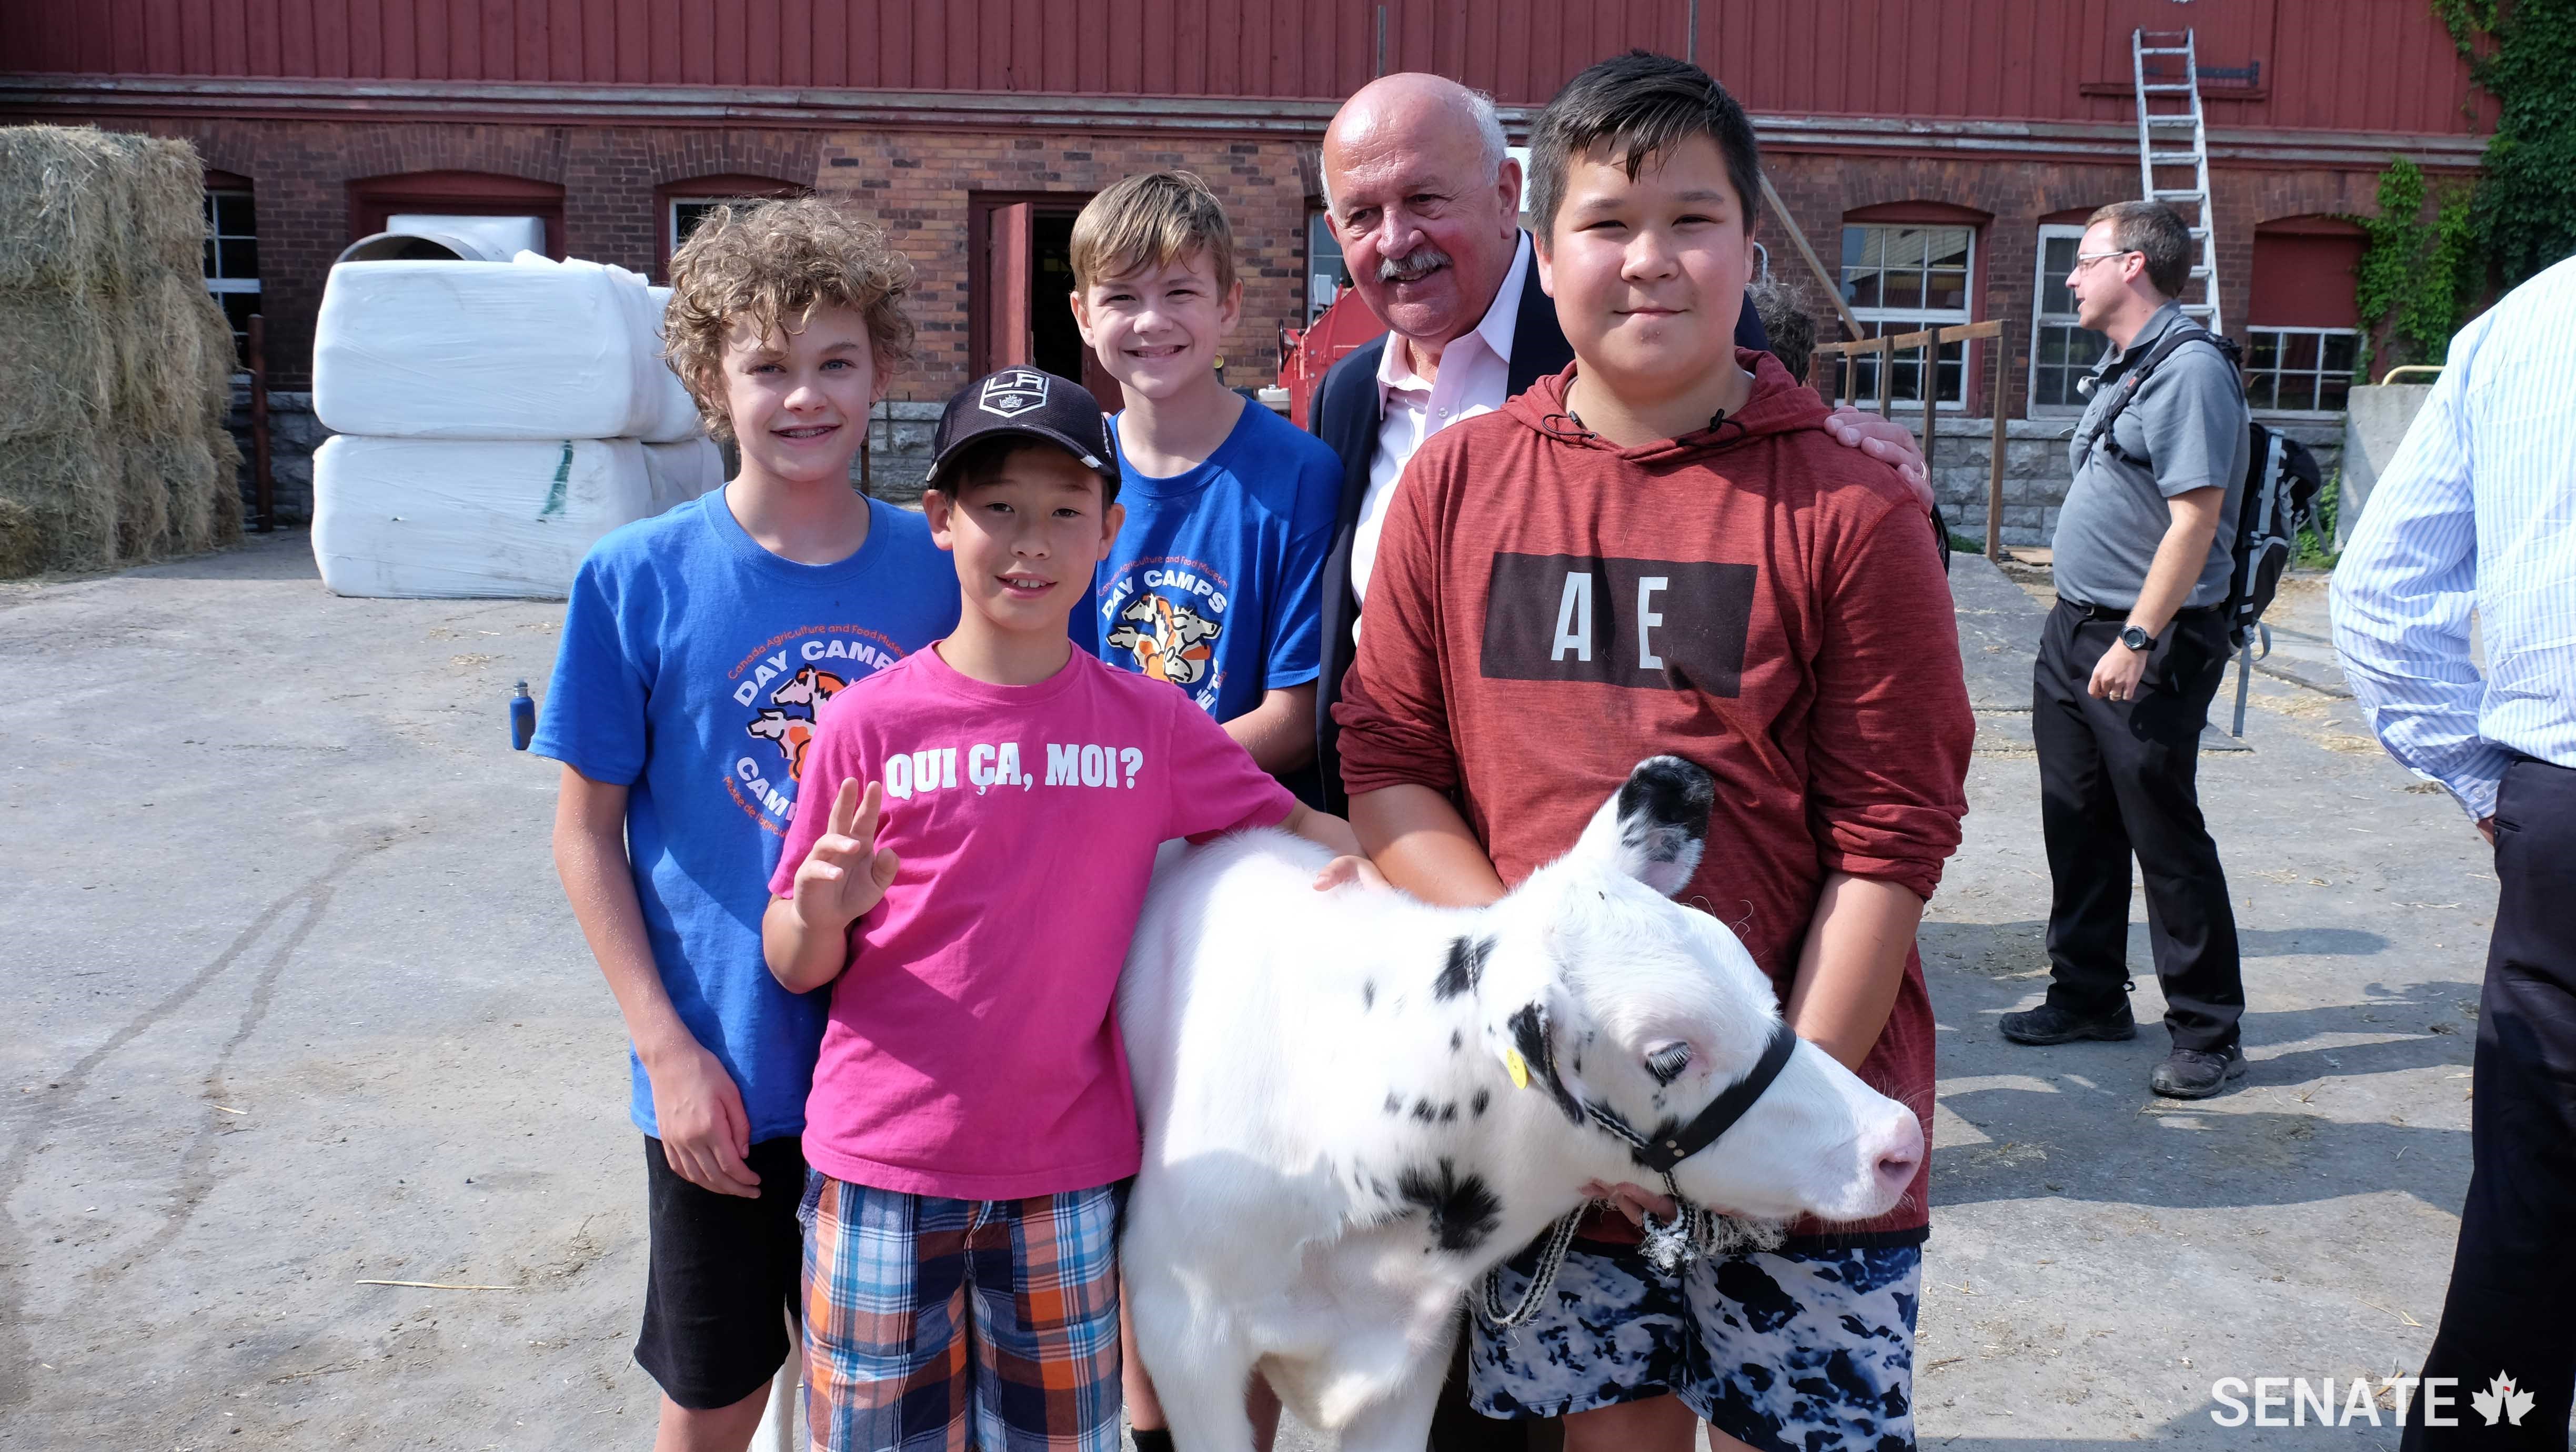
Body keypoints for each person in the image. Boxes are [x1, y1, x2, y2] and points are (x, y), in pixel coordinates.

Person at [1333, 52, 1973, 1452]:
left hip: (1799, 1114)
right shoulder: (1459, 485)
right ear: (1542, 252)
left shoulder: (1850, 509)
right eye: (1608, 224)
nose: (1651, 261)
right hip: (1562, 1133)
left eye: (1692, 220)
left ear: (1751, 244)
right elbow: (1387, 761)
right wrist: (1532, 1000)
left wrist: (1770, 1104)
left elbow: (1893, 836)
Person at [759, 368, 1364, 1452]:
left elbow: (1298, 830)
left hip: (1067, 1182)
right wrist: (820, 912)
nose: (1029, 542)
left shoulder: (1152, 725)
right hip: (881, 1171)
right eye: (997, 508)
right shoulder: (866, 726)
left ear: (1109, 531)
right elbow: (796, 964)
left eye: (1064, 512)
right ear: (941, 521)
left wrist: (1399, 889)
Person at [532, 198, 959, 1452]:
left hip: (906, 1074)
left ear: (881, 366)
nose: (805, 397)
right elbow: (584, 833)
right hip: (723, 1079)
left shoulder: (942, 568)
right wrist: (664, 1049)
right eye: (768, 366)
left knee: (890, 1402)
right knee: (716, 1399)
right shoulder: (636, 579)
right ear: (713, 379)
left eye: (835, 361)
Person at [1306, 70, 1939, 813]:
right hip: (1415, 841)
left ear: (1510, 197)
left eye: (1424, 200)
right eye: (1362, 215)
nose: (1397, 239)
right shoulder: (1348, 397)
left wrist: (1888, 493)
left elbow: (1789, 513)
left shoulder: (1648, 320)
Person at [2331, 253, 2576, 1451]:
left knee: (2531, 1208)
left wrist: (2490, 786)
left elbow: (2376, 598)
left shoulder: (2530, 321)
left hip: (2562, 808)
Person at [1999, 200, 2253, 1100]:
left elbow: (2196, 519)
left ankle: (2208, 1032)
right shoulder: (2127, 367)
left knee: (2162, 828)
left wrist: (2139, 637)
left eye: (2083, 260)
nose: (2070, 277)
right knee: (2076, 815)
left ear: (2134, 265)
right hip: (2077, 627)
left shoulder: (2187, 373)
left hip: (2147, 637)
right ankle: (2089, 994)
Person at [1068, 170, 1343, 809]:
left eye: (1180, 291)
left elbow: (1296, 720)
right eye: (1121, 298)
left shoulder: (1301, 473)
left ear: (1229, 305)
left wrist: (1139, 782)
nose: (1151, 321)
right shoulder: (1065, 471)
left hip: (1236, 831)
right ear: (1083, 317)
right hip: (1082, 810)